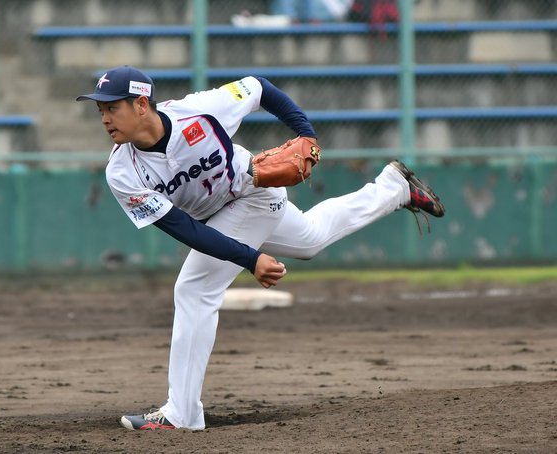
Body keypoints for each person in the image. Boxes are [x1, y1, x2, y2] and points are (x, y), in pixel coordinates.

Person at [76, 65, 445, 431]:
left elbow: (259, 87)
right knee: (311, 239)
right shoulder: (122, 171)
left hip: (252, 196)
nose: (105, 118)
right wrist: (250, 258)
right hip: (218, 219)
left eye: (113, 107)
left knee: (194, 290)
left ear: (142, 104)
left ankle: (182, 414)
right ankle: (394, 188)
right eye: (101, 109)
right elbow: (184, 229)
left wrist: (306, 134)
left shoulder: (199, 111)